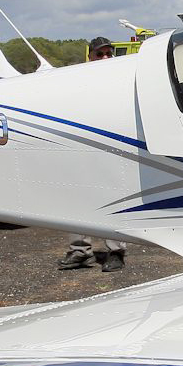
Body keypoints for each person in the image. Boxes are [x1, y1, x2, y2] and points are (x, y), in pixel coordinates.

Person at [59, 37, 128, 272]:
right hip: (82, 150)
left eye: (109, 54)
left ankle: (116, 251)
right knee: (78, 200)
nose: (105, 58)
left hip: (113, 150)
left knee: (114, 201)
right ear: (90, 56)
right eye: (100, 54)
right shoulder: (77, 82)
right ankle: (80, 252)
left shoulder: (122, 80)